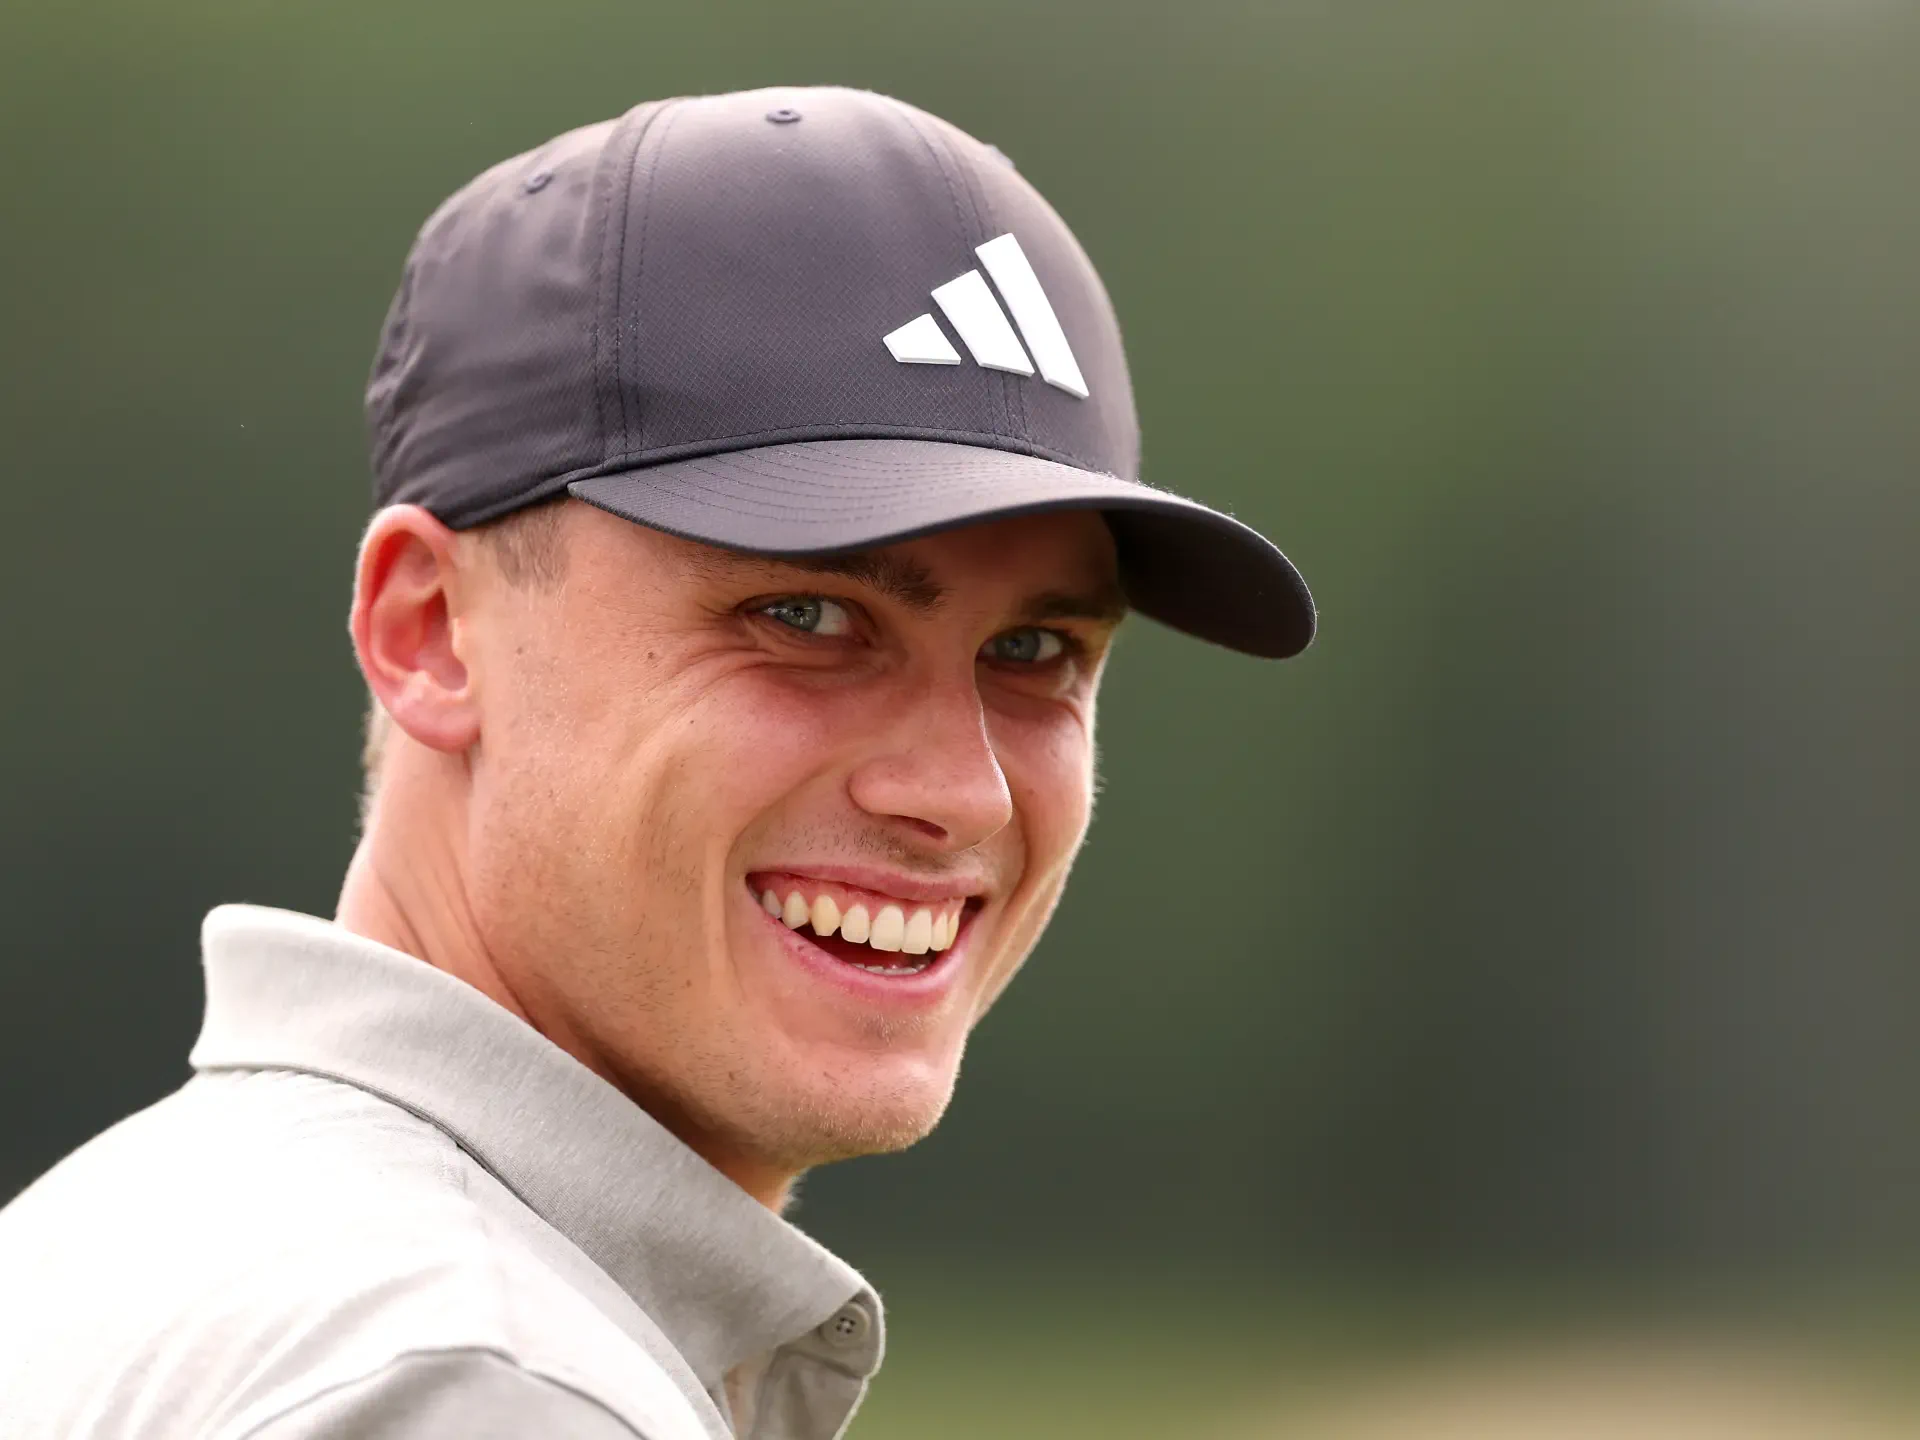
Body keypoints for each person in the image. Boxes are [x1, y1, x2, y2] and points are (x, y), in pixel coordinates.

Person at [0, 85, 1313, 1438]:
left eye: (1036, 651)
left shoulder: (108, 1247)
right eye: (807, 619)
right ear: (430, 633)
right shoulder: (481, 1380)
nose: (960, 792)